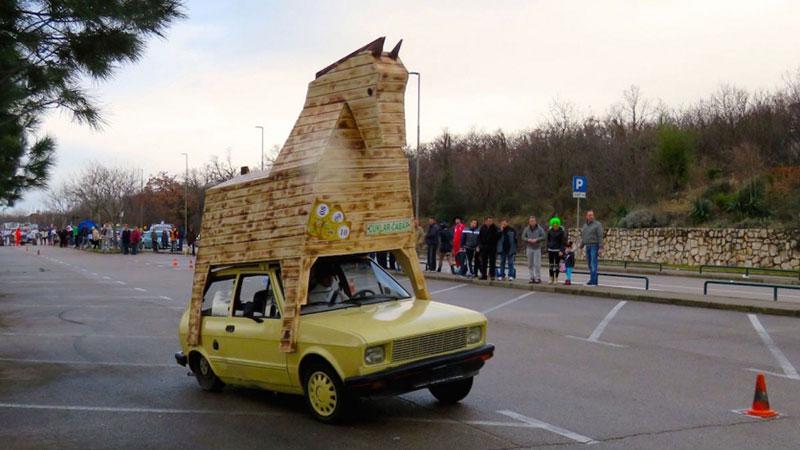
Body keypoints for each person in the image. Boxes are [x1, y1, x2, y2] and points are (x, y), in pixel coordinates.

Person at [580, 210, 604, 286]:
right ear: (586, 216)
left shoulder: (597, 225)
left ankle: (593, 281)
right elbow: (584, 237)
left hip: (594, 246)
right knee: (589, 264)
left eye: (592, 215)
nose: (591, 216)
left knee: (593, 264)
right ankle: (593, 280)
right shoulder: (585, 226)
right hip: (587, 246)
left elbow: (600, 236)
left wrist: (600, 248)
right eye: (589, 215)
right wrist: (581, 246)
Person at [522, 216, 545, 284]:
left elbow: (544, 236)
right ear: (529, 222)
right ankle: (532, 277)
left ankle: (538, 278)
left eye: (533, 221)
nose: (532, 222)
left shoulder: (540, 228)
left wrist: (537, 239)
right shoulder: (526, 229)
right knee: (530, 264)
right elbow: (523, 237)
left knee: (537, 264)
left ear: (535, 221)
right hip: (529, 248)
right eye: (531, 221)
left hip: (537, 248)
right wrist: (528, 239)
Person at [477, 216, 501, 280]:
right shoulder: (482, 227)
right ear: (485, 221)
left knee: (492, 262)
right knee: (484, 262)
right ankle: (484, 275)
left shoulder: (495, 228)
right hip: (484, 247)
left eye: (491, 221)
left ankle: (492, 275)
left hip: (492, 247)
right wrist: (480, 245)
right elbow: (479, 237)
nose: (490, 222)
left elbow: (498, 237)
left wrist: (500, 232)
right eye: (489, 221)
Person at [546, 217, 567, 284]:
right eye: (554, 224)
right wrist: (548, 246)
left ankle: (556, 278)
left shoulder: (561, 232)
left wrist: (561, 250)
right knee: (551, 264)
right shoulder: (550, 231)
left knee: (557, 265)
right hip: (551, 250)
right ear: (552, 224)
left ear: (558, 224)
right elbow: (548, 240)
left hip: (558, 250)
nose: (555, 225)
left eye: (556, 224)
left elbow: (563, 242)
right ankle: (551, 277)